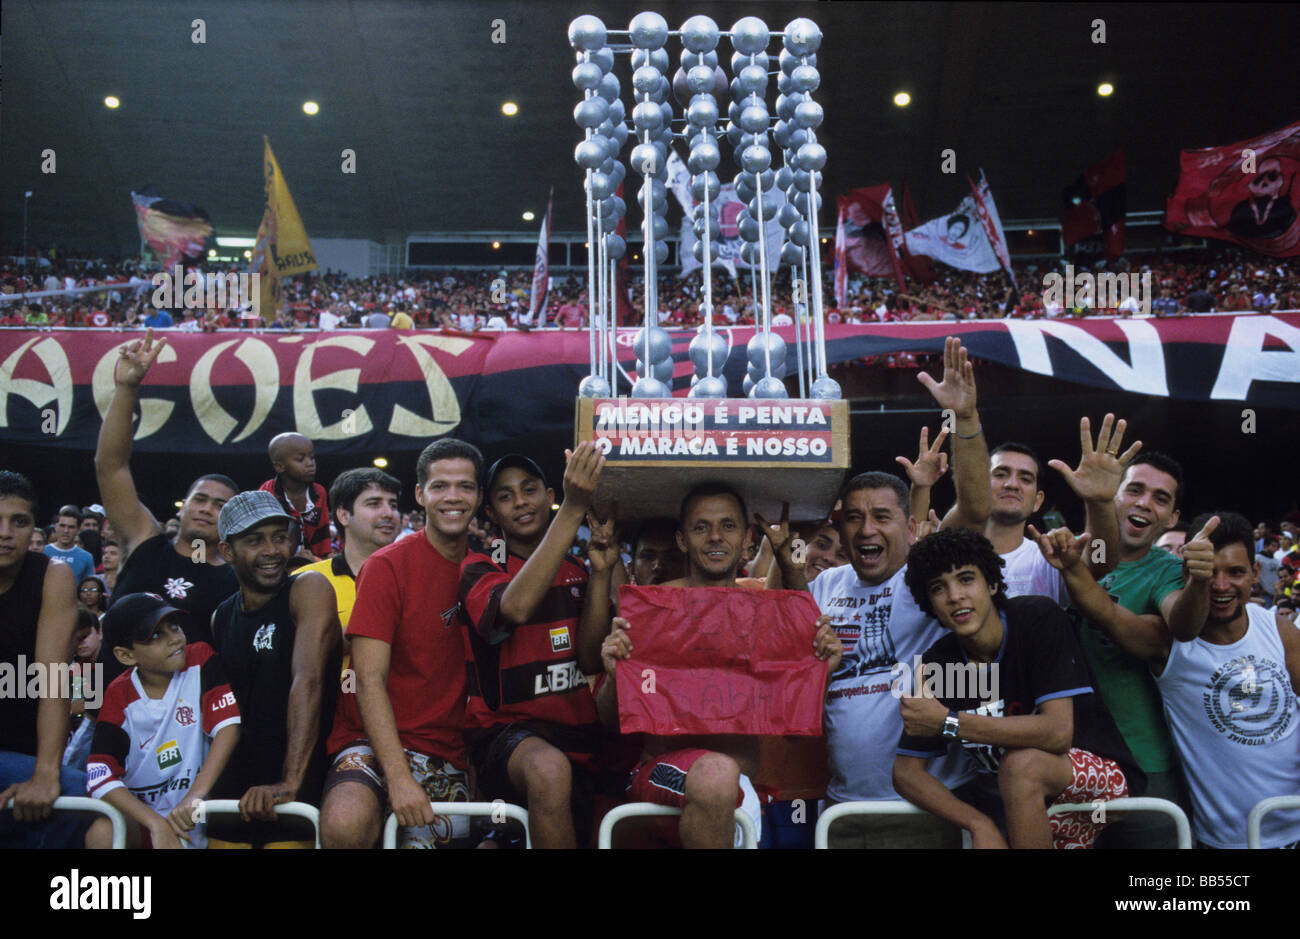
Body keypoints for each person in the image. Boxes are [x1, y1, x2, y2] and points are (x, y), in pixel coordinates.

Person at [811, 337, 992, 848]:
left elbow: (975, 512)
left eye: (882, 517)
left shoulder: (926, 575)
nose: (866, 528)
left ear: (910, 528)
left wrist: (966, 421)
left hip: (930, 807)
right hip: (843, 812)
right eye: (853, 518)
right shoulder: (823, 586)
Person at [1034, 512, 1300, 849]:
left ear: (1256, 573)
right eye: (1206, 572)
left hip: (1294, 818)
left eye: (1235, 572)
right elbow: (1104, 611)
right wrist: (1074, 566)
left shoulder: (1277, 629)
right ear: (1185, 573)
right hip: (1221, 841)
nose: (1220, 585)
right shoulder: (1168, 643)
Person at [600, 482, 840, 848]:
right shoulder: (653, 608)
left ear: (747, 538)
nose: (715, 537)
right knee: (716, 772)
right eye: (701, 527)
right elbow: (606, 718)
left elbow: (794, 723)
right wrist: (615, 672)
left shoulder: (765, 612)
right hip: (662, 778)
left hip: (740, 791)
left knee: (721, 776)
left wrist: (826, 668)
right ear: (683, 540)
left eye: (727, 526)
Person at [893, 528, 1143, 849]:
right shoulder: (939, 664)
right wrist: (976, 823)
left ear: (992, 584)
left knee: (1020, 765)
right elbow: (906, 773)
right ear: (929, 602)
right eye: (939, 587)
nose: (955, 595)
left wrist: (948, 722)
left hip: (1101, 783)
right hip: (1026, 808)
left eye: (966, 579)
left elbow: (1057, 733)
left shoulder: (1036, 618)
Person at [320, 439, 484, 850]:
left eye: (465, 486)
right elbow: (367, 678)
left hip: (451, 748)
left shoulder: (487, 567)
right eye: (440, 486)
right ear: (419, 494)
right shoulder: (387, 565)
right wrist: (398, 777)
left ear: (479, 496)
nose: (452, 497)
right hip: (374, 742)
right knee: (344, 825)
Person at [1034, 452, 1197, 849]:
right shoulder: (1063, 553)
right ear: (1117, 496)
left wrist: (1202, 586)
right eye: (1135, 490)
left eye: (1160, 498)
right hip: (1066, 763)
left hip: (1146, 765)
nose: (1144, 503)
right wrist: (1096, 506)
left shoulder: (1169, 572)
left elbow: (1162, 635)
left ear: (1172, 519)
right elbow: (1098, 560)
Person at [458, 446, 612, 849]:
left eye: (528, 490)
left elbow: (592, 658)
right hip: (507, 740)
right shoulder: (480, 566)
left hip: (581, 742)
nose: (520, 503)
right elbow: (517, 607)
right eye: (505, 496)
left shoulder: (577, 569)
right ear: (490, 512)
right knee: (548, 770)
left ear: (548, 495)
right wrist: (574, 508)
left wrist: (600, 576)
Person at [94, 329, 239, 690]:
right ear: (184, 507)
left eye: (220, 505)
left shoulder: (235, 582)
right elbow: (111, 466)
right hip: (109, 720)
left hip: (186, 730)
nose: (207, 509)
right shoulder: (144, 541)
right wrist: (127, 388)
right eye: (200, 499)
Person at [206, 491, 341, 847]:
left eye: (279, 537)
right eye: (255, 540)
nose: (272, 550)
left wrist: (290, 781)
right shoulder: (221, 616)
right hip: (239, 781)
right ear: (227, 552)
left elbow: (307, 681)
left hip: (300, 774)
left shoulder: (308, 588)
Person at [85, 593, 241, 849]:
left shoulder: (200, 659)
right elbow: (98, 774)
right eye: (156, 636)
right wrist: (155, 823)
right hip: (144, 818)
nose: (175, 638)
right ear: (126, 656)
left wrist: (195, 796)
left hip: (196, 809)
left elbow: (228, 728)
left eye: (175, 626)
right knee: (103, 832)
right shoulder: (118, 693)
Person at [0, 471, 84, 848]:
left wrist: (46, 772)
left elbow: (53, 679)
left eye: (19, 522)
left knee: (100, 807)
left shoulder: (54, 575)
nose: (5, 533)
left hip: (22, 754)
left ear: (36, 528)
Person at [299, 467, 402, 675]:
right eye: (374, 504)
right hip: (333, 704)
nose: (388, 513)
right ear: (344, 515)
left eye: (393, 505)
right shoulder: (306, 581)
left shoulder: (419, 577)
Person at [259, 432, 331, 561]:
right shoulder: (266, 493)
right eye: (300, 459)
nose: (310, 463)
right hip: (277, 558)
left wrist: (322, 558)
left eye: (312, 457)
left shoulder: (319, 492)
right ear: (279, 466)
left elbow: (323, 532)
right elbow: (265, 535)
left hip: (312, 560)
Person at [44, 505, 96, 587]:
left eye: (71, 527)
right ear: (55, 527)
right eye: (62, 526)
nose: (66, 531)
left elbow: (88, 587)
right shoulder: (43, 552)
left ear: (78, 530)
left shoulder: (86, 557)